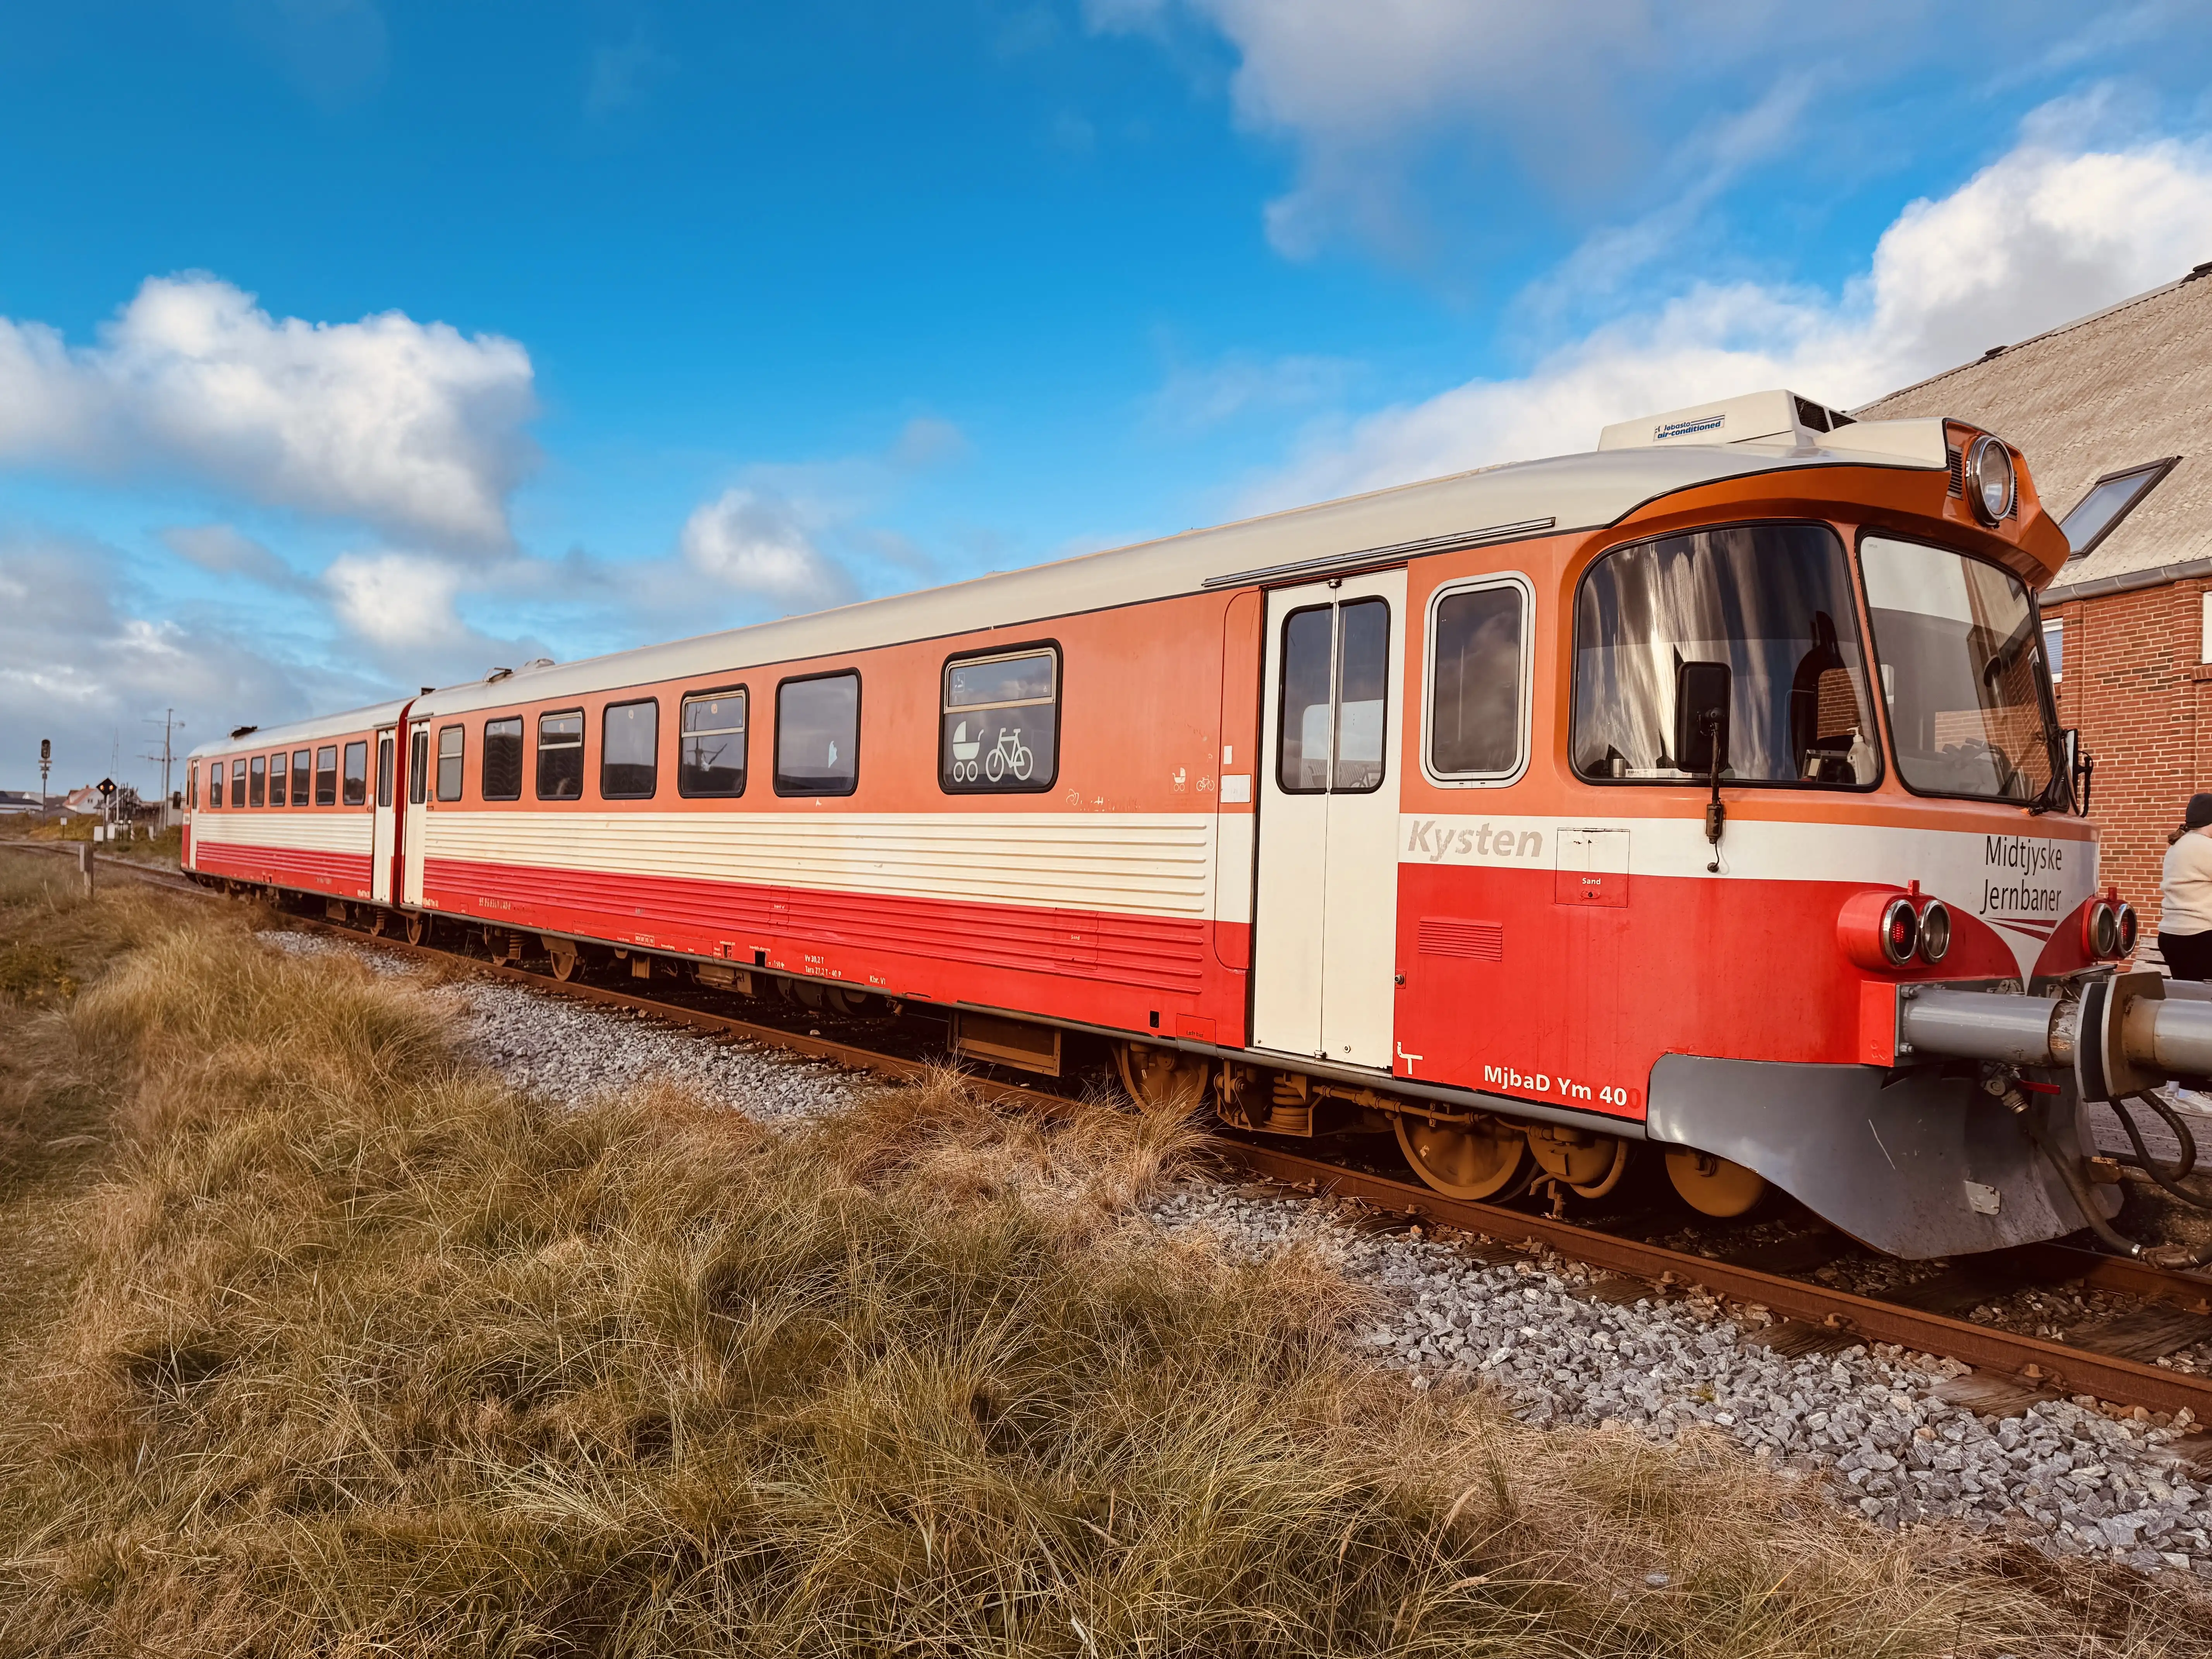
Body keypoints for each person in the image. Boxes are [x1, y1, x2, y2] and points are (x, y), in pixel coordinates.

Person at [2159, 793, 2212, 981]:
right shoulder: (2205, 847)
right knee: (2204, 1004)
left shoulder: (2178, 845)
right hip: (2199, 937)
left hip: (2173, 935)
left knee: (2190, 1000)